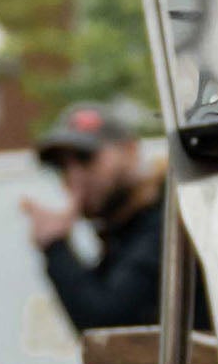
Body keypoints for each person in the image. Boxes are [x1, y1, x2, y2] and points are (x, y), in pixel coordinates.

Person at [23, 100, 167, 336]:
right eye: (61, 167)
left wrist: (56, 246)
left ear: (129, 150)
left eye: (85, 157)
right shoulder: (126, 228)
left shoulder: (167, 219)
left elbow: (106, 329)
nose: (74, 176)